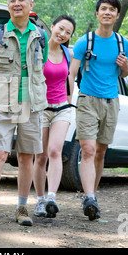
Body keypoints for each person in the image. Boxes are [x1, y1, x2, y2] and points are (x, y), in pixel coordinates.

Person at [0, 0, 49, 227]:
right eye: (12, 0)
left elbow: (41, 67)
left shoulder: (40, 36)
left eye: (21, 0)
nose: (16, 4)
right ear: (8, 6)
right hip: (2, 103)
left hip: (32, 104)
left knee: (26, 157)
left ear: (31, 5)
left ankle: (22, 208)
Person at [68, 0, 128, 220]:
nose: (107, 12)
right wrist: (68, 97)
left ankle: (90, 196)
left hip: (111, 102)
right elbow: (72, 72)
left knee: (101, 152)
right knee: (88, 150)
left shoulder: (123, 43)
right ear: (97, 14)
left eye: (112, 10)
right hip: (87, 100)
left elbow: (124, 74)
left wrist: (126, 68)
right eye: (103, 9)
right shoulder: (85, 41)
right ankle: (90, 197)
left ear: (117, 15)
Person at [32, 15, 76, 219]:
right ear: (52, 27)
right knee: (40, 156)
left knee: (55, 150)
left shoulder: (69, 53)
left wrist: (68, 99)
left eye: (68, 32)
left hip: (62, 108)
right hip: (41, 108)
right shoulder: (39, 50)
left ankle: (51, 198)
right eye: (61, 29)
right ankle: (39, 200)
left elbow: (69, 78)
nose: (63, 34)